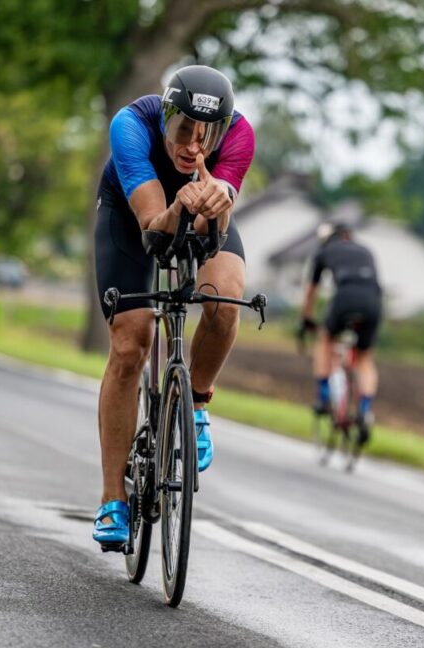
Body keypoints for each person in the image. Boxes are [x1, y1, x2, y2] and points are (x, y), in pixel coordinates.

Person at [92, 65, 254, 548]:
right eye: (184, 129)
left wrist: (210, 199)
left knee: (224, 303)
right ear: (167, 117)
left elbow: (218, 215)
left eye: (207, 134)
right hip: (134, 217)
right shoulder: (130, 126)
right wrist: (182, 204)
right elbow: (154, 230)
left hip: (202, 216)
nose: (194, 145)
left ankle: (197, 403)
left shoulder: (241, 135)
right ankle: (111, 499)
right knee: (130, 345)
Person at [298, 221, 382, 444]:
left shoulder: (324, 251)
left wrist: (306, 320)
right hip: (373, 302)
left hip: (345, 297)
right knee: (364, 359)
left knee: (325, 340)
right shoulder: (366, 250)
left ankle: (324, 398)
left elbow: (311, 292)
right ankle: (364, 411)